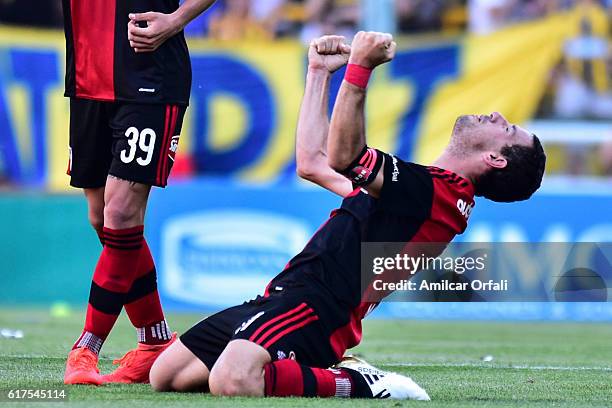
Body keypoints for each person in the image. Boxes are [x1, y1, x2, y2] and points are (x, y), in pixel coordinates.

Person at [148, 32, 546, 399]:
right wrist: (319, 73)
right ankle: (310, 367)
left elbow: (346, 157)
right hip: (283, 296)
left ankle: (360, 383)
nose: (495, 114)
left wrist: (361, 69)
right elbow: (314, 163)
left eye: (507, 129)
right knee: (167, 375)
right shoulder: (426, 189)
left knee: (234, 380)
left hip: (317, 308)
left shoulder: (438, 192)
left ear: (495, 159)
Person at [61, 0, 218, 385]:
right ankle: (155, 343)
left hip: (151, 79)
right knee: (102, 219)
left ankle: (86, 348)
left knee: (120, 215)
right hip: (87, 78)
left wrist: (176, 20)